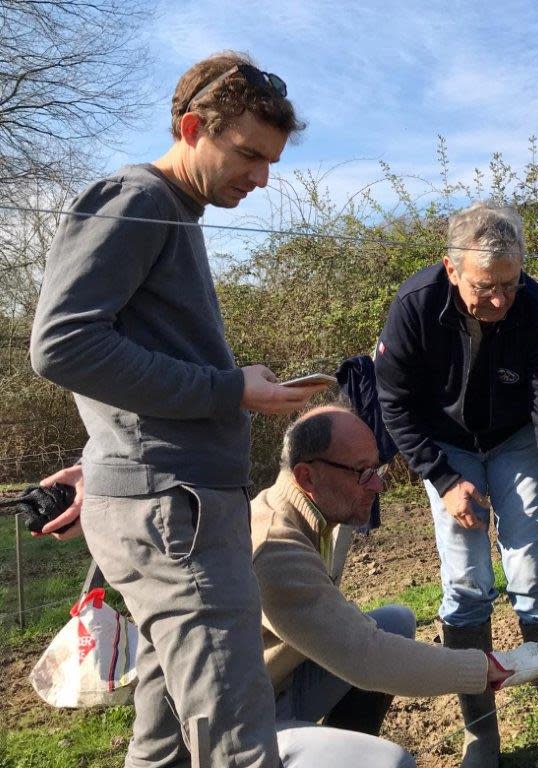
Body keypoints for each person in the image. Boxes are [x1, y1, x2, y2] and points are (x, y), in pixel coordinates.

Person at [30, 52, 329, 767]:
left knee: (165, 734)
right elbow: (62, 345)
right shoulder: (137, 198)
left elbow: (120, 357)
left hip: (175, 502)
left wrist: (98, 458)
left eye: (271, 162)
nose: (261, 178)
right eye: (248, 154)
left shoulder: (175, 212)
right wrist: (230, 390)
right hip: (172, 515)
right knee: (236, 732)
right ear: (193, 127)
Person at [375, 201, 538, 767]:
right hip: (446, 444)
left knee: (530, 569)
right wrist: (442, 477)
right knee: (465, 580)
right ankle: (482, 734)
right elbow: (395, 404)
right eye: (487, 286)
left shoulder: (536, 310)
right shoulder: (414, 307)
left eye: (511, 283)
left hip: (516, 438)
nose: (500, 299)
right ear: (451, 268)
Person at [252, 405, 538, 767]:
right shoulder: (275, 548)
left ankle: (343, 745)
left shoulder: (316, 516)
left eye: (376, 469)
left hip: (271, 686)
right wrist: (494, 667)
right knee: (392, 762)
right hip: (234, 729)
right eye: (363, 473)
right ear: (307, 477)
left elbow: (348, 638)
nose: (378, 485)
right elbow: (366, 657)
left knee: (394, 621)